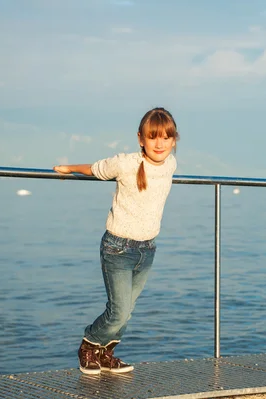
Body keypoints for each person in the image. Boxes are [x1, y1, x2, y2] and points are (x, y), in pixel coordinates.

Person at [53, 107, 179, 375]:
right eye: (153, 137)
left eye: (166, 138)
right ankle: (89, 344)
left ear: (174, 140)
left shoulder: (171, 164)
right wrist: (67, 168)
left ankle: (105, 354)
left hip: (147, 249)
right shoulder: (126, 163)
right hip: (118, 248)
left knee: (127, 311)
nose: (159, 144)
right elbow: (96, 169)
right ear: (140, 139)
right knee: (118, 312)